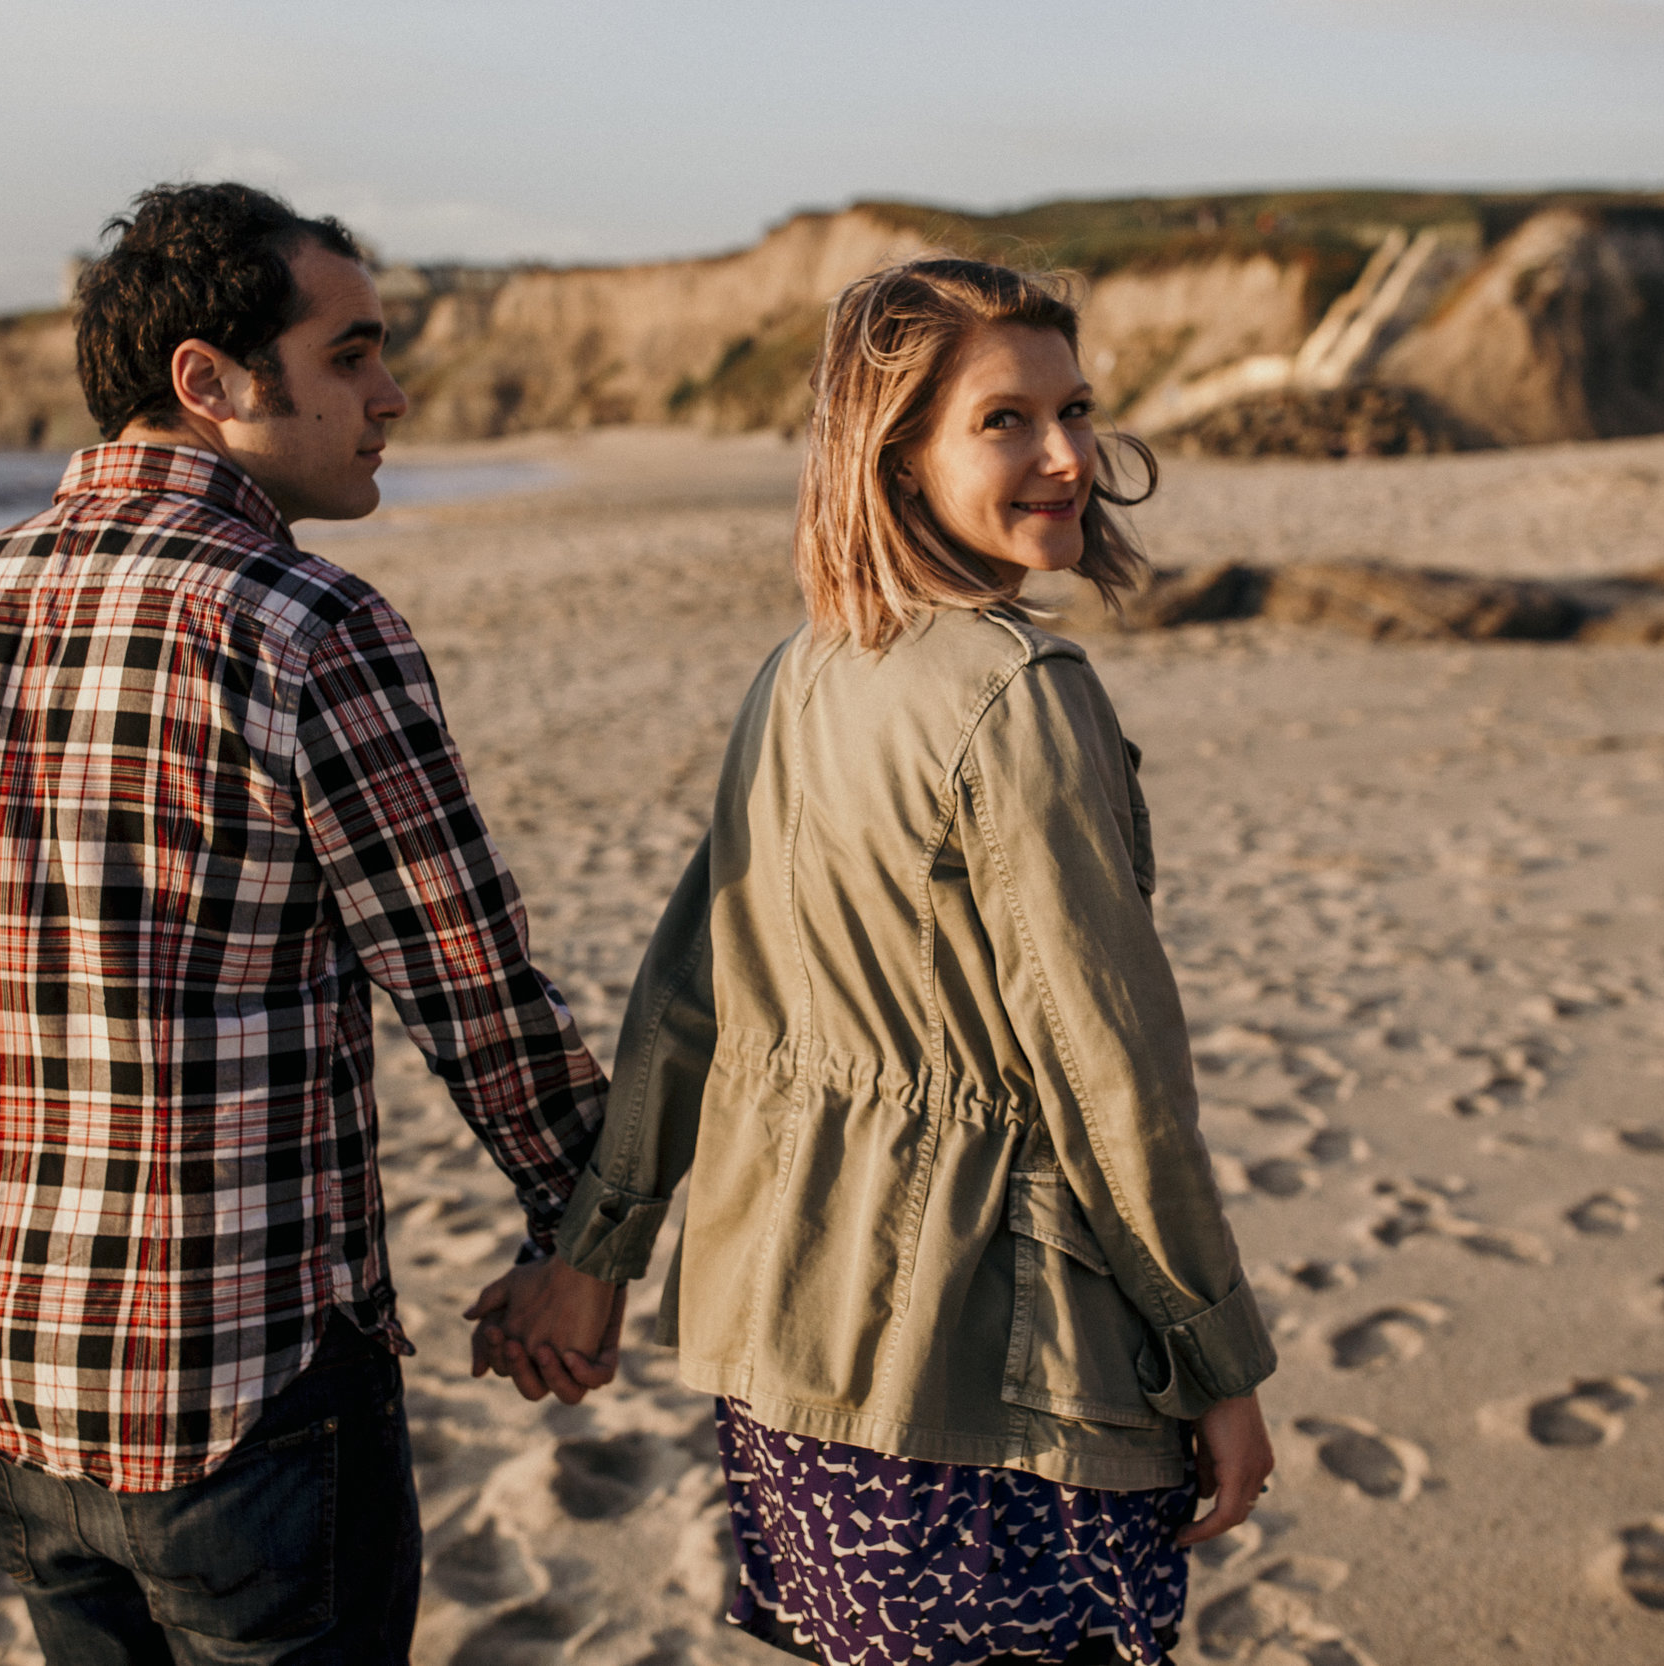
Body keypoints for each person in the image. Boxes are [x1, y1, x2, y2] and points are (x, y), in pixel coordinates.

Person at [0, 181, 610, 1666]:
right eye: (352, 354)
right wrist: (581, 1235)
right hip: (244, 1400)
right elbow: (472, 989)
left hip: (5, 1385)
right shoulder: (304, 623)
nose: (394, 393)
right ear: (208, 379)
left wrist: (5, 1210)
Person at [493, 259, 1279, 1666]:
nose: (1066, 456)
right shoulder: (1020, 699)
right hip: (981, 1369)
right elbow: (1115, 1078)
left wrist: (598, 1248)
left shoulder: (803, 667)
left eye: (1077, 409)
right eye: (1005, 420)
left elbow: (686, 995)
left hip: (783, 1351)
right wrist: (1215, 1358)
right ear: (896, 455)